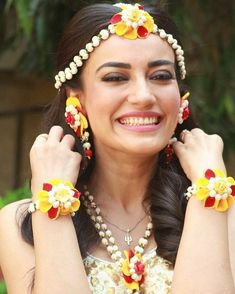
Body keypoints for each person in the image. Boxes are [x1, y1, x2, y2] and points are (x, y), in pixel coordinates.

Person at [0, 2, 234, 293]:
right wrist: (53, 198)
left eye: (160, 76)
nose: (143, 96)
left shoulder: (228, 216)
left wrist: (209, 193)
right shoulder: (20, 225)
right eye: (115, 78)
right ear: (77, 98)